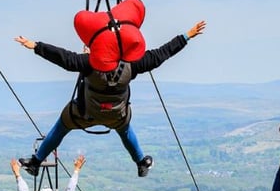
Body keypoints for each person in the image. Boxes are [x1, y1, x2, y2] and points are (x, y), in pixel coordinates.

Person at [15, 20, 206, 178]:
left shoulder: (89, 63)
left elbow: (64, 58)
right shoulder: (132, 64)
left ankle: (36, 162)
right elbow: (161, 55)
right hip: (116, 115)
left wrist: (36, 46)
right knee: (125, 130)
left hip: (84, 113)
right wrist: (185, 36)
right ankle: (140, 162)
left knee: (61, 127)